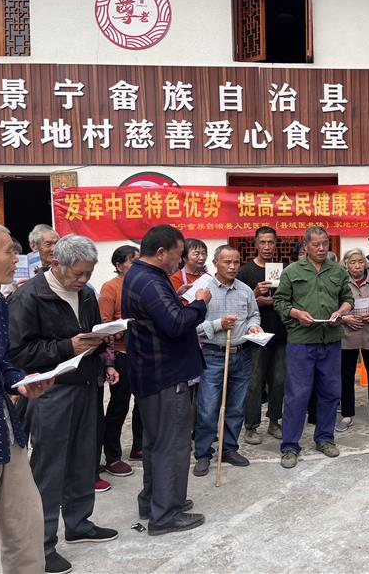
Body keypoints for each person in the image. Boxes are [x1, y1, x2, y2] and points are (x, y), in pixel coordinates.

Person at [7, 234, 118, 574]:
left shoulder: (85, 294)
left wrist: (102, 342)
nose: (83, 280)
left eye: (88, 273)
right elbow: (17, 352)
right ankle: (41, 544)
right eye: (77, 273)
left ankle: (79, 523)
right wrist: (67, 347)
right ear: (56, 263)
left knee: (84, 457)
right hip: (50, 391)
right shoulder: (29, 296)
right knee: (49, 467)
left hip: (86, 384)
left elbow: (89, 332)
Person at [0, 221, 50, 574]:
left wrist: (20, 382)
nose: (17, 258)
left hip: (5, 429)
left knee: (25, 524)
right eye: (9, 252)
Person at [122, 224, 211, 535]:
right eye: (178, 254)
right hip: (165, 375)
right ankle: (166, 514)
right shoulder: (150, 281)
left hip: (151, 372)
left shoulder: (142, 275)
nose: (180, 260)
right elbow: (175, 324)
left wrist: (177, 297)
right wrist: (200, 302)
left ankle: (154, 501)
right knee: (172, 445)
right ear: (161, 252)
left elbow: (161, 315)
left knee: (156, 443)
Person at [273, 227, 353, 468]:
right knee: (297, 394)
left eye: (325, 243)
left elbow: (348, 298)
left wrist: (341, 312)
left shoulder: (338, 270)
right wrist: (296, 313)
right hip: (301, 341)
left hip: (330, 340)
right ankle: (290, 446)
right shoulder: (292, 271)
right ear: (305, 246)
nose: (321, 248)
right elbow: (280, 301)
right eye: (316, 244)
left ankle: (325, 438)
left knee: (330, 392)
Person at [193, 245, 261, 477]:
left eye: (236, 262)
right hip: (213, 355)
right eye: (227, 262)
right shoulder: (202, 290)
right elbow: (191, 325)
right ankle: (203, 453)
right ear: (215, 263)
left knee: (236, 406)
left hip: (241, 354)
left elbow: (254, 314)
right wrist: (218, 324)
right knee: (208, 408)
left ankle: (229, 448)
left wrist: (253, 326)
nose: (232, 267)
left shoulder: (245, 290)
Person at [97, 245, 142, 487]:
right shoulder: (110, 288)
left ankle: (138, 446)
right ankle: (112, 456)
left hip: (142, 353)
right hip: (121, 353)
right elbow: (104, 326)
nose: (137, 266)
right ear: (118, 265)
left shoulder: (142, 286)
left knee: (143, 402)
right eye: (132, 262)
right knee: (119, 404)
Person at [237, 227, 286, 445]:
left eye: (271, 242)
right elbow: (239, 304)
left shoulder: (283, 270)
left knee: (279, 380)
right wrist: (254, 296)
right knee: (255, 380)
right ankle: (251, 426)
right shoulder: (245, 271)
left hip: (281, 333)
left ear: (276, 244)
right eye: (263, 242)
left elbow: (290, 299)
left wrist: (274, 301)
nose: (267, 247)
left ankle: (274, 421)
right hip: (256, 334)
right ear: (256, 244)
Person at [336, 248, 369, 431]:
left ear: (365, 263)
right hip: (347, 333)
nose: (357, 265)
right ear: (346, 265)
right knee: (346, 376)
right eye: (352, 262)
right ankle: (347, 415)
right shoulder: (340, 281)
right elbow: (334, 305)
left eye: (360, 261)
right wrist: (344, 318)